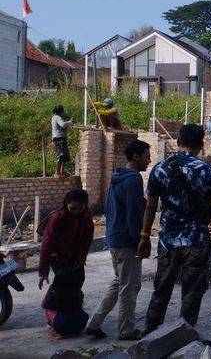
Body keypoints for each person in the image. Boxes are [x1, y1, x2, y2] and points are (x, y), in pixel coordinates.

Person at [137, 124, 211, 334]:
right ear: (201, 145)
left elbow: (150, 206)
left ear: (178, 142)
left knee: (162, 288)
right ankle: (184, 335)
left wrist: (144, 236)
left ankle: (150, 332)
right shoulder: (207, 170)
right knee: (192, 291)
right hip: (196, 241)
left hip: (168, 240)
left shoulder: (159, 168)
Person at [85, 139, 151, 340]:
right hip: (126, 241)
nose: (149, 160)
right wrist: (141, 239)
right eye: (147, 156)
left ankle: (94, 323)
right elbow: (133, 215)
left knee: (119, 282)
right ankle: (126, 330)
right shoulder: (133, 180)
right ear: (136, 157)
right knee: (130, 287)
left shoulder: (118, 177)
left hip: (114, 238)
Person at [38, 189, 94, 339]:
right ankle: (51, 309)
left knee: (76, 284)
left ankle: (72, 311)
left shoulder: (86, 215)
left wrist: (82, 257)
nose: (76, 212)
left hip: (75, 257)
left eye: (80, 208)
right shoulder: (58, 217)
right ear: (66, 204)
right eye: (73, 208)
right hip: (58, 257)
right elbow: (46, 245)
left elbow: (88, 237)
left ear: (85, 206)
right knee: (63, 284)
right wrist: (43, 272)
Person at [51, 105, 74, 177]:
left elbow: (61, 127)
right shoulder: (57, 117)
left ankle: (61, 172)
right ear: (60, 111)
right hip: (59, 138)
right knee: (61, 155)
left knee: (65, 156)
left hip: (61, 138)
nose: (63, 112)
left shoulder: (56, 117)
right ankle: (57, 172)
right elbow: (63, 124)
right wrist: (70, 122)